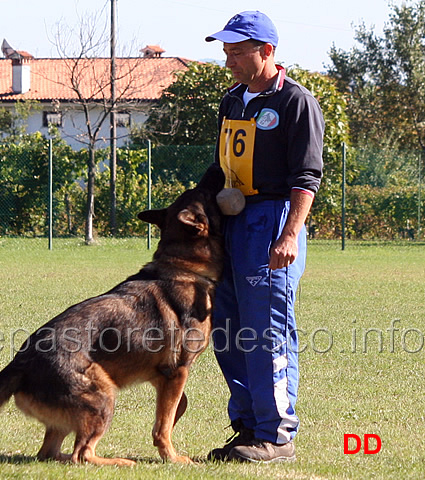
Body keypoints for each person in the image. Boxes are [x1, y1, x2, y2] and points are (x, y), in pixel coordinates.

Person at [202, 11, 325, 463]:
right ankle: (249, 426)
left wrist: (290, 233)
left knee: (266, 329)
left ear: (267, 51)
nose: (228, 60)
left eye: (237, 52)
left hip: (273, 221)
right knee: (228, 331)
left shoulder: (296, 101)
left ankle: (277, 434)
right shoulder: (232, 100)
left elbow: (307, 176)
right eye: (226, 52)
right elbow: (220, 167)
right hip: (233, 221)